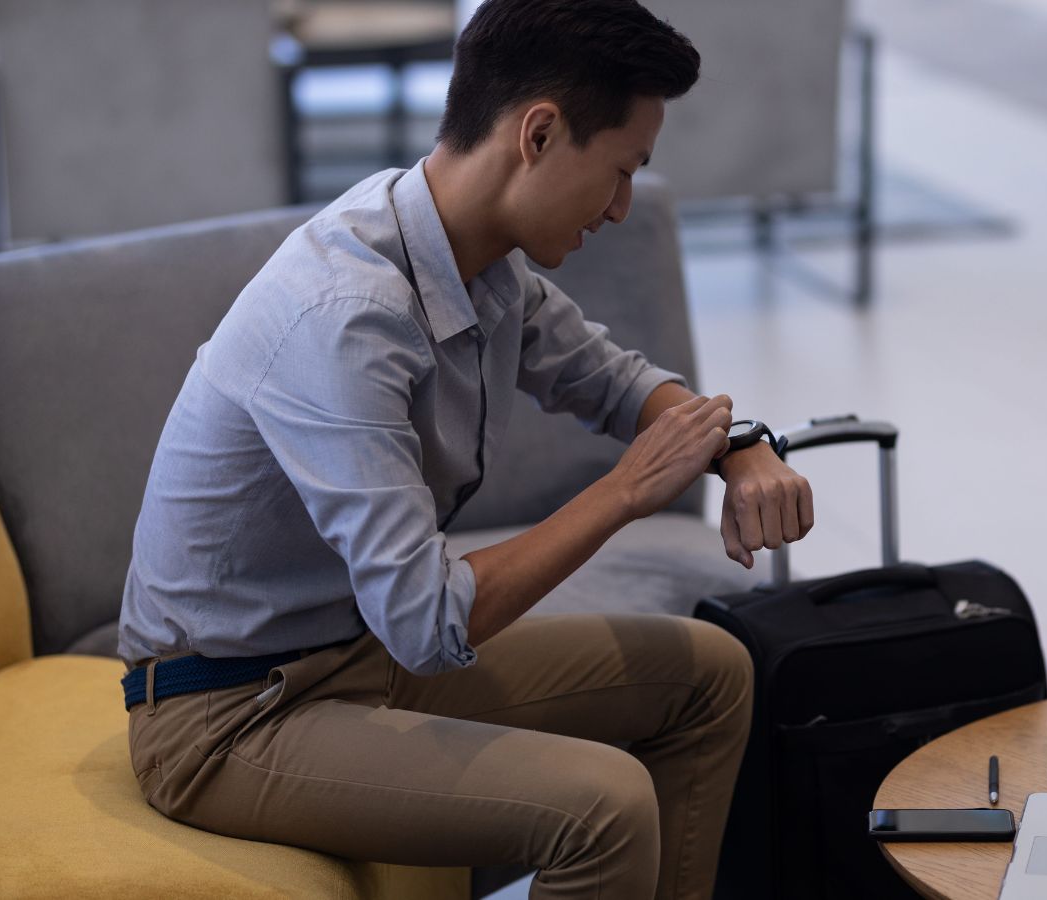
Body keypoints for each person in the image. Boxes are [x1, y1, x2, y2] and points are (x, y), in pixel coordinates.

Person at [116, 1, 814, 897]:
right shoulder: (348, 316)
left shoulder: (473, 258)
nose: (622, 207)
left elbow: (611, 380)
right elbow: (427, 619)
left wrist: (738, 446)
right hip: (229, 715)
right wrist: (625, 493)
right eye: (620, 171)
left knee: (711, 675)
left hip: (354, 659)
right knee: (603, 806)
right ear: (539, 133)